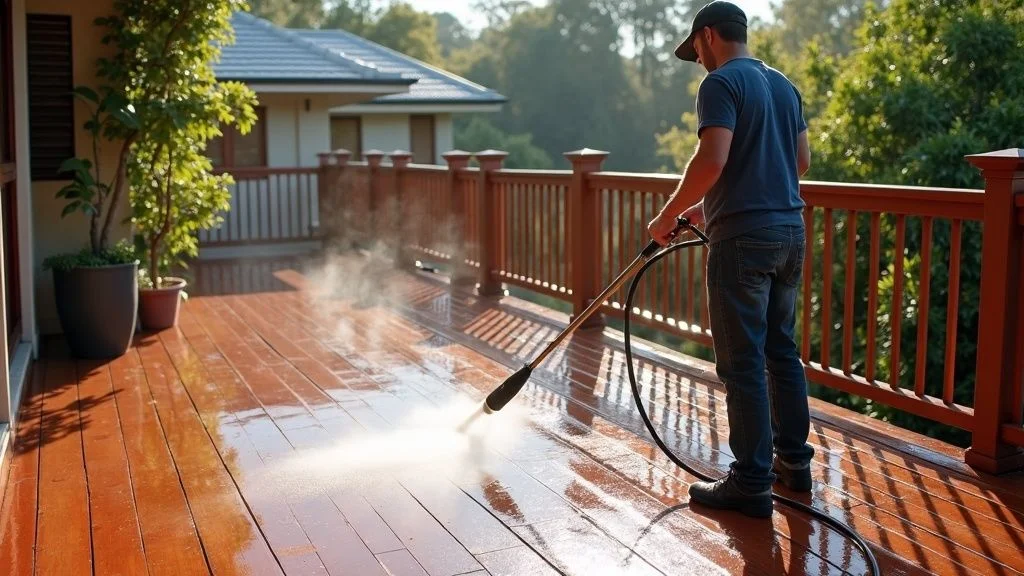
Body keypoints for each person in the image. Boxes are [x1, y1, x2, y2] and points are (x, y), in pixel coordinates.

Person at [647, 0, 814, 519]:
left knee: (742, 362)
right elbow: (799, 162)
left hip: (742, 241)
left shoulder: (719, 84)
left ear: (710, 36)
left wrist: (666, 214)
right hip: (790, 231)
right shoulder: (783, 85)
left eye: (694, 48)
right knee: (781, 352)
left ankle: (750, 483)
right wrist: (704, 205)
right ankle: (794, 463)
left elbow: (713, 158)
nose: (696, 59)